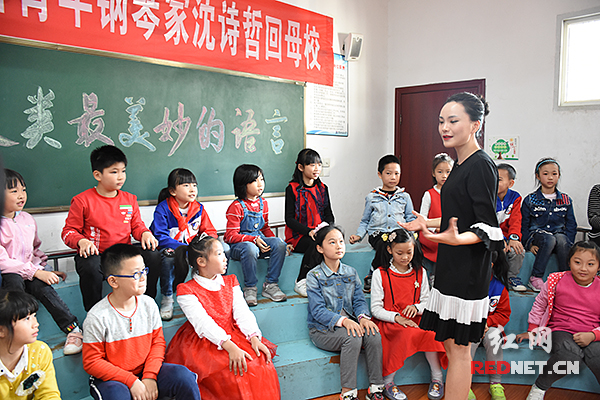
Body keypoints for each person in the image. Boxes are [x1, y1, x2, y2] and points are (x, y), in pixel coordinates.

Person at [401, 92, 503, 400]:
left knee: (459, 350)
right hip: (450, 263)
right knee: (449, 344)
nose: (444, 127)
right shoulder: (459, 163)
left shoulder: (481, 165)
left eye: (453, 121)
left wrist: (458, 238)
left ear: (475, 124)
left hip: (467, 269)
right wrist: (428, 223)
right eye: (441, 121)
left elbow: (488, 226)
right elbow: (458, 215)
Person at [165, 234, 280, 399]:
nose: (225, 258)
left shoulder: (231, 282)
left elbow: (242, 312)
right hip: (206, 341)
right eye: (219, 254)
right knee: (230, 372)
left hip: (233, 333)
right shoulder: (186, 290)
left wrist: (254, 337)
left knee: (259, 362)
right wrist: (230, 347)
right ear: (201, 261)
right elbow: (203, 323)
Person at [82, 244, 200, 400]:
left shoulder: (149, 304)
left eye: (144, 271)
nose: (143, 277)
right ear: (113, 281)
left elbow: (157, 343)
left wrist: (150, 376)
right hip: (112, 378)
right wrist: (131, 381)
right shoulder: (97, 316)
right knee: (116, 396)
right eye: (136, 274)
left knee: (183, 377)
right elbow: (92, 362)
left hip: (145, 370)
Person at [62, 145, 161, 311]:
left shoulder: (130, 199)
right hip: (98, 255)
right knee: (89, 265)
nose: (121, 177)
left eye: (123, 171)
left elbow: (137, 225)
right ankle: (94, 311)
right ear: (97, 175)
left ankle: (147, 302)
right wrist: (81, 241)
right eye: (114, 172)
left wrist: (145, 233)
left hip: (123, 254)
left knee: (153, 254)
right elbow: (68, 231)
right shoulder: (82, 200)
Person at [1, 169, 83, 355]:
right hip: (9, 276)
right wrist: (35, 272)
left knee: (43, 287)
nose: (21, 195)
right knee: (13, 281)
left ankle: (73, 330)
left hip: (30, 272)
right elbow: (3, 262)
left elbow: (35, 250)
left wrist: (44, 268)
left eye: (23, 190)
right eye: (14, 191)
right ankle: (17, 335)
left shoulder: (27, 219)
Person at [306, 224, 385, 400]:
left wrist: (363, 318)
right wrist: (344, 321)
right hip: (322, 330)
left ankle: (376, 387)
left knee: (373, 333)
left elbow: (359, 301)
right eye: (332, 242)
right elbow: (318, 311)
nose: (339, 246)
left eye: (341, 241)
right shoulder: (314, 276)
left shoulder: (351, 272)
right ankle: (348, 393)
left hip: (350, 325)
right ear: (320, 248)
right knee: (353, 337)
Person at [516, 241, 600, 400]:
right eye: (577, 262)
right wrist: (532, 330)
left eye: (590, 264)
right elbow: (540, 305)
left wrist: (593, 335)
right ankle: (539, 387)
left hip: (592, 333)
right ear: (569, 262)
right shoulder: (556, 280)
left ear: (598, 267)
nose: (583, 268)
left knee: (597, 356)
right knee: (570, 356)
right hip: (560, 330)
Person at [370, 228, 446, 400]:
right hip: (390, 321)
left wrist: (417, 308)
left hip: (416, 318)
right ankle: (387, 381)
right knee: (405, 334)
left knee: (432, 333)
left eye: (409, 252)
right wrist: (397, 318)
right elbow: (375, 308)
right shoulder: (380, 274)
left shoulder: (420, 272)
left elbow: (427, 301)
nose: (405, 257)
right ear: (389, 250)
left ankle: (437, 378)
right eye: (399, 253)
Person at [150, 168, 219, 320]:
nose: (192, 189)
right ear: (173, 191)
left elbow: (209, 231)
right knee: (167, 259)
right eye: (186, 185)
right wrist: (185, 248)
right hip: (172, 249)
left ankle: (208, 294)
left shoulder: (198, 208)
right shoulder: (163, 208)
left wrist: (206, 243)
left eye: (194, 185)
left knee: (219, 251)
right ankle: (167, 298)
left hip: (191, 248)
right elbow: (160, 236)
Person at [349, 155, 417, 293]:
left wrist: (411, 234)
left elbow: (410, 218)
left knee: (413, 245)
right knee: (385, 244)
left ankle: (415, 276)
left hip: (398, 233)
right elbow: (365, 221)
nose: (393, 177)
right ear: (380, 174)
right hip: (378, 234)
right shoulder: (372, 197)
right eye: (389, 173)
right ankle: (372, 273)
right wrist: (359, 235)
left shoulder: (405, 197)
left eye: (397, 173)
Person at [224, 164, 287, 306]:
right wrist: (253, 239)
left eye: (262, 179)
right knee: (250, 248)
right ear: (243, 184)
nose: (260, 184)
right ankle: (250, 288)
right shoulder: (236, 206)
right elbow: (230, 236)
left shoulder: (263, 203)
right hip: (240, 247)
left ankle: (271, 285)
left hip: (258, 242)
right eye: (254, 180)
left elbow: (265, 228)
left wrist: (278, 242)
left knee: (279, 244)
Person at [521, 158, 577, 291]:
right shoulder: (530, 200)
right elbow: (524, 225)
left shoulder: (566, 200)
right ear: (538, 176)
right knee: (549, 238)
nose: (550, 177)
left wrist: (568, 244)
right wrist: (529, 244)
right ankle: (536, 277)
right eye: (545, 174)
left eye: (554, 173)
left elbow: (571, 225)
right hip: (538, 236)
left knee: (561, 239)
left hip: (559, 237)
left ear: (559, 175)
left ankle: (565, 277)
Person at [285, 148, 334, 297]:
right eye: (312, 165)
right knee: (315, 243)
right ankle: (301, 280)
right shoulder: (292, 189)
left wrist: (327, 229)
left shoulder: (323, 188)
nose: (317, 168)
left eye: (319, 164)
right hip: (299, 236)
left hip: (319, 232)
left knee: (335, 239)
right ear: (301, 167)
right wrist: (308, 231)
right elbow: (289, 219)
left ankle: (328, 279)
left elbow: (329, 215)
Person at [0, 290, 60, 399]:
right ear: (1, 330)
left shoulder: (39, 351)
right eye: (27, 319)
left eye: (34, 316)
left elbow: (48, 394)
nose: (36, 324)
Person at [468, 251, 511, 400]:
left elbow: (504, 314)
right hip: (469, 326)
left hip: (490, 326)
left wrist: (487, 323)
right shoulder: (465, 285)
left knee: (494, 337)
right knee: (469, 339)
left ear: (490, 265)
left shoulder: (499, 287)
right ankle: (465, 383)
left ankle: (495, 383)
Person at [418, 153, 453, 285]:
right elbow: (423, 217)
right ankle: (430, 279)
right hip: (431, 234)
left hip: (449, 234)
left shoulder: (455, 194)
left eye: (448, 172)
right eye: (440, 172)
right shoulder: (429, 194)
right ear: (433, 173)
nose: (444, 176)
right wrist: (434, 228)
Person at [496, 163, 526, 291]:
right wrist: (500, 239)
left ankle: (511, 277)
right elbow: (489, 222)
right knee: (496, 250)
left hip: (508, 235)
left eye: (499, 180)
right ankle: (494, 278)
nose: (494, 182)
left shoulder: (515, 198)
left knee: (518, 250)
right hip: (492, 234)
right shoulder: (487, 197)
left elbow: (516, 220)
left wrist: (513, 238)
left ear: (510, 183)